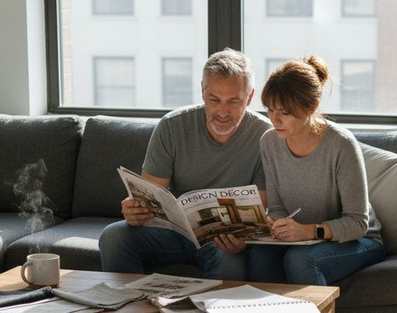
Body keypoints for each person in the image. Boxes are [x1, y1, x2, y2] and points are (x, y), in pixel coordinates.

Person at [222, 56, 384, 313]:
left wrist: (310, 232)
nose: (274, 120)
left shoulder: (340, 144)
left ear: (310, 107)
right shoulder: (270, 142)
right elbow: (279, 202)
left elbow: (358, 221)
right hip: (301, 238)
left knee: (300, 259)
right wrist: (276, 223)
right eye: (270, 110)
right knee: (259, 257)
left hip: (358, 240)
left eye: (284, 112)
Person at [99, 49, 272, 279]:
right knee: (113, 237)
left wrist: (244, 240)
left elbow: (261, 205)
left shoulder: (266, 137)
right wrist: (135, 209)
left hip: (222, 240)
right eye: (214, 100)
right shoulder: (172, 126)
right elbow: (150, 193)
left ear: (249, 97)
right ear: (202, 91)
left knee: (230, 263)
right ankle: (125, 309)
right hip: (174, 231)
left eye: (233, 101)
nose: (222, 111)